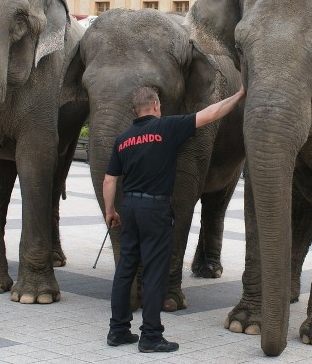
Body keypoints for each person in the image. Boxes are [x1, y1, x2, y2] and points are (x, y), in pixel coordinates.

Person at [105, 84, 245, 353]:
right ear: (156, 106)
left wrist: (111, 211)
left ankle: (118, 330)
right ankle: (151, 336)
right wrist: (238, 95)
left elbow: (110, 179)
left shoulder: (123, 139)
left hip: (130, 206)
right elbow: (210, 114)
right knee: (156, 272)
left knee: (125, 270)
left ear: (135, 112)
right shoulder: (167, 128)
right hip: (155, 210)